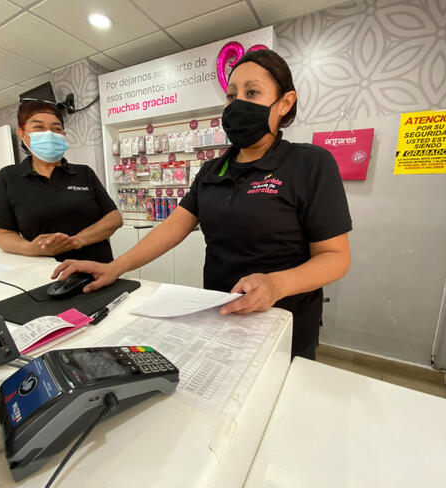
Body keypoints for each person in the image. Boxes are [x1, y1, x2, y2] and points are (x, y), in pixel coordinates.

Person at [52, 50, 352, 359]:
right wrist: (114, 268)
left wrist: (276, 284)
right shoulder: (212, 170)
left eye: (253, 92)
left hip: (284, 325)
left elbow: (335, 257)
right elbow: (172, 227)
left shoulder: (310, 164)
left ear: (285, 103)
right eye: (231, 95)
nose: (237, 104)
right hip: (218, 315)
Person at [0, 99, 122, 263]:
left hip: (98, 268)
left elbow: (114, 218)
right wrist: (30, 249)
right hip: (45, 272)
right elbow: (3, 235)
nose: (49, 134)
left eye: (56, 128)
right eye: (39, 127)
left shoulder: (83, 173)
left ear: (63, 135)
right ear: (22, 133)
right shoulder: (8, 177)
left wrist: (77, 241)